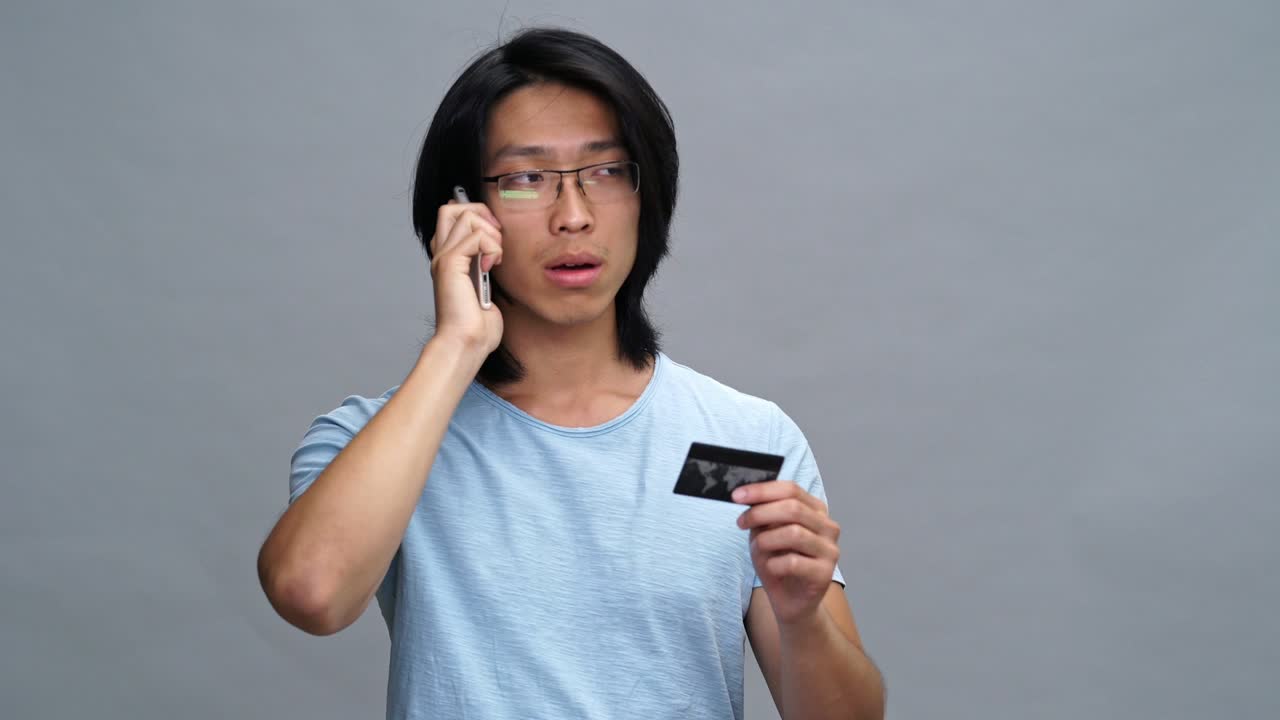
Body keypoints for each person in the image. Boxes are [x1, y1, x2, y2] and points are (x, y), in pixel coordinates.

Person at [257, 26, 885, 720]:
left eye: (607, 172)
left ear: (648, 196)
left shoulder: (738, 443)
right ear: (464, 210)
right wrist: (456, 344)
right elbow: (311, 594)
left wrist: (803, 621)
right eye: (526, 179)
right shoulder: (381, 440)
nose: (575, 216)